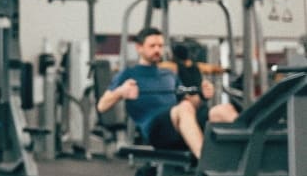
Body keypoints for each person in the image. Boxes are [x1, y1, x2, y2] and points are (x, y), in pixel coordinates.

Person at [97, 27, 238, 158]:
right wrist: (121, 92)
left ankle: (252, 156)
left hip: (181, 125)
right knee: (184, 108)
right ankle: (206, 162)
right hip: (157, 131)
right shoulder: (128, 74)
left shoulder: (169, 74)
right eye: (152, 46)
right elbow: (102, 106)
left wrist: (201, 94)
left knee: (223, 110)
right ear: (139, 48)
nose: (158, 50)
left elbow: (187, 98)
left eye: (160, 46)